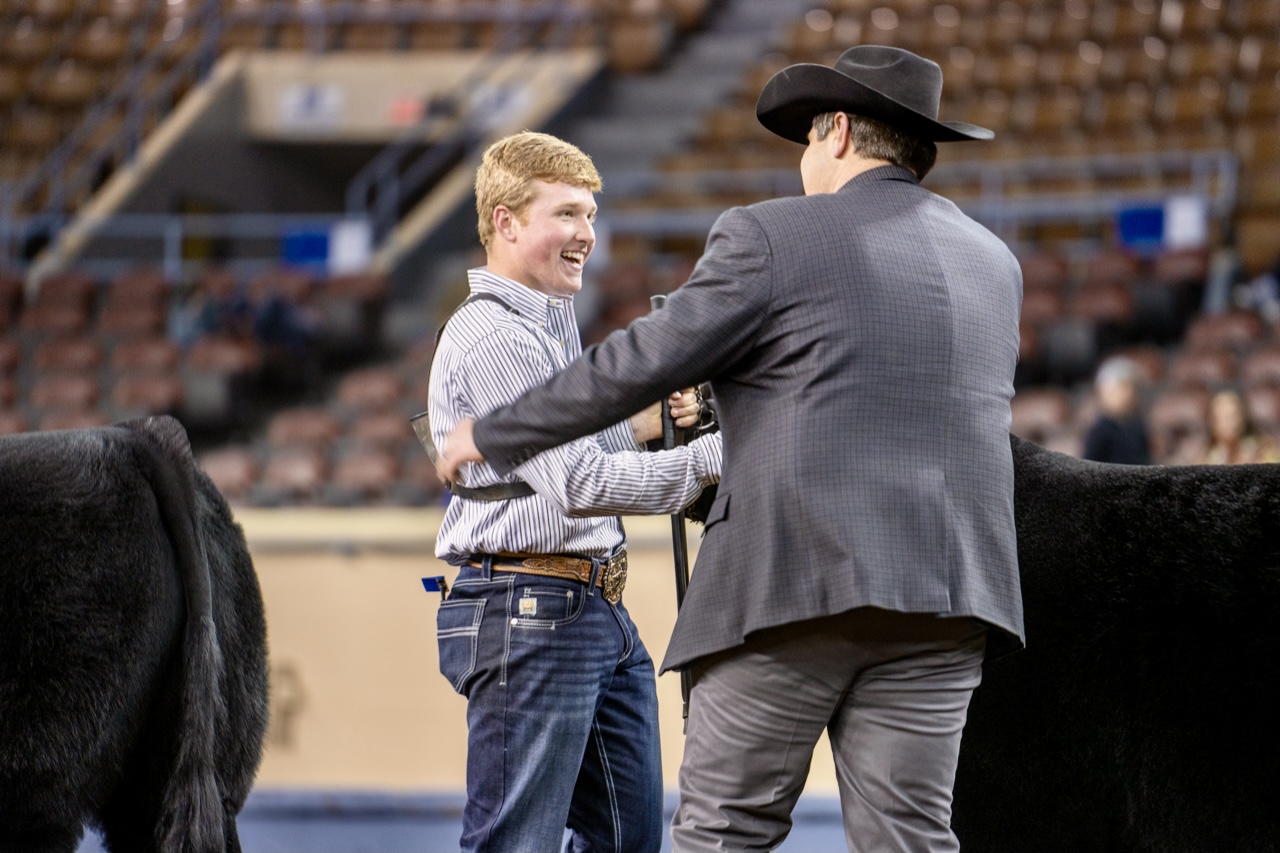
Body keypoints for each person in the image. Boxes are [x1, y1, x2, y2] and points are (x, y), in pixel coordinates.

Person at [438, 46, 1024, 853]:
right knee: (912, 837)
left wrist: (497, 430)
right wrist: (712, 411)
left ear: (841, 133)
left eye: (808, 143)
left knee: (722, 832)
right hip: (951, 591)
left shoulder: (771, 233)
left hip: (794, 580)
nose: (805, 163)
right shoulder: (993, 261)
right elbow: (862, 384)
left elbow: (641, 359)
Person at [427, 130, 722, 853]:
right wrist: (719, 455)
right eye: (565, 214)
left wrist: (650, 424)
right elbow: (580, 484)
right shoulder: (497, 335)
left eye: (590, 215)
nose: (586, 234)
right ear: (506, 222)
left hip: (585, 606)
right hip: (530, 610)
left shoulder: (547, 326)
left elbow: (561, 460)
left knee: (625, 840)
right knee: (514, 841)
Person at [1082, 357, 1151, 464]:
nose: (1128, 395)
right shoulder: (1099, 431)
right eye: (1121, 388)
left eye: (1132, 388)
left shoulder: (1137, 428)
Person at [1187, 388, 1279, 465]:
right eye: (1224, 416)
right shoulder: (1204, 458)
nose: (1231, 421)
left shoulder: (1263, 448)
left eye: (1235, 415)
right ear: (1212, 421)